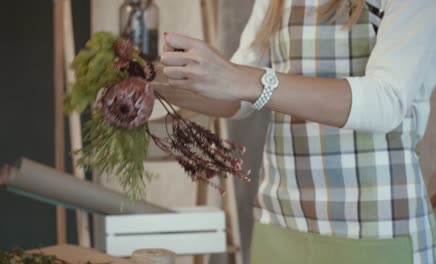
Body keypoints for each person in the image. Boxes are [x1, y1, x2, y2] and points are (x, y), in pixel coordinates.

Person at [154, 0, 436, 263]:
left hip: (376, 232)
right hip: (281, 226)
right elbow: (237, 95)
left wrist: (244, 80)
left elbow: (386, 101)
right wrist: (150, 81)